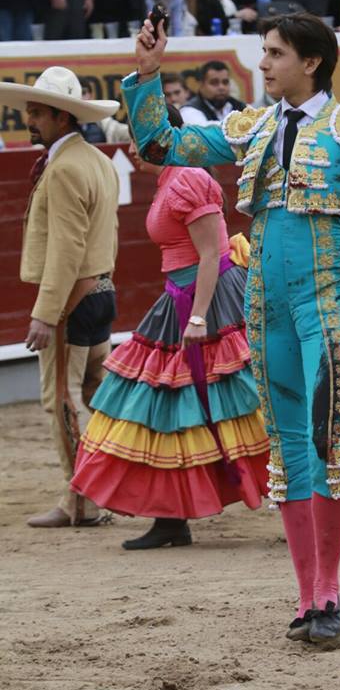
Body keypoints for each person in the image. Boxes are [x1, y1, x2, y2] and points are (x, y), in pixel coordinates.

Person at [123, 11, 340, 647]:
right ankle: (307, 597)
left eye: (273, 53)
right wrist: (146, 75)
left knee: (326, 432)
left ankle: (331, 592)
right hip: (268, 305)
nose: (261, 65)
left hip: (327, 300)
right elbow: (161, 147)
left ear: (310, 62)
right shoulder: (253, 127)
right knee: (289, 445)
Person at [70, 104, 271, 550]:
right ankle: (171, 517)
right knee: (177, 406)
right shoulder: (172, 178)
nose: (132, 149)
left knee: (239, 397)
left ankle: (308, 483)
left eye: (140, 141)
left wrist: (198, 317)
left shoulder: (188, 178)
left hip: (207, 301)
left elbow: (211, 255)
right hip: (183, 297)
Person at [0, 66, 120, 527]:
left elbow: (67, 248)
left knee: (64, 401)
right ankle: (104, 490)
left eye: (35, 113)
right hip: (101, 289)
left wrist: (46, 314)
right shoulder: (96, 161)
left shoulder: (66, 168)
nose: (27, 119)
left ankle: (84, 501)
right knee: (94, 395)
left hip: (72, 299)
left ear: (61, 117)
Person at [181, 60, 247, 126]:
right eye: (214, 82)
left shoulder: (241, 107)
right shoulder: (189, 110)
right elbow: (204, 130)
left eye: (225, 82)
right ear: (201, 85)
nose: (221, 87)